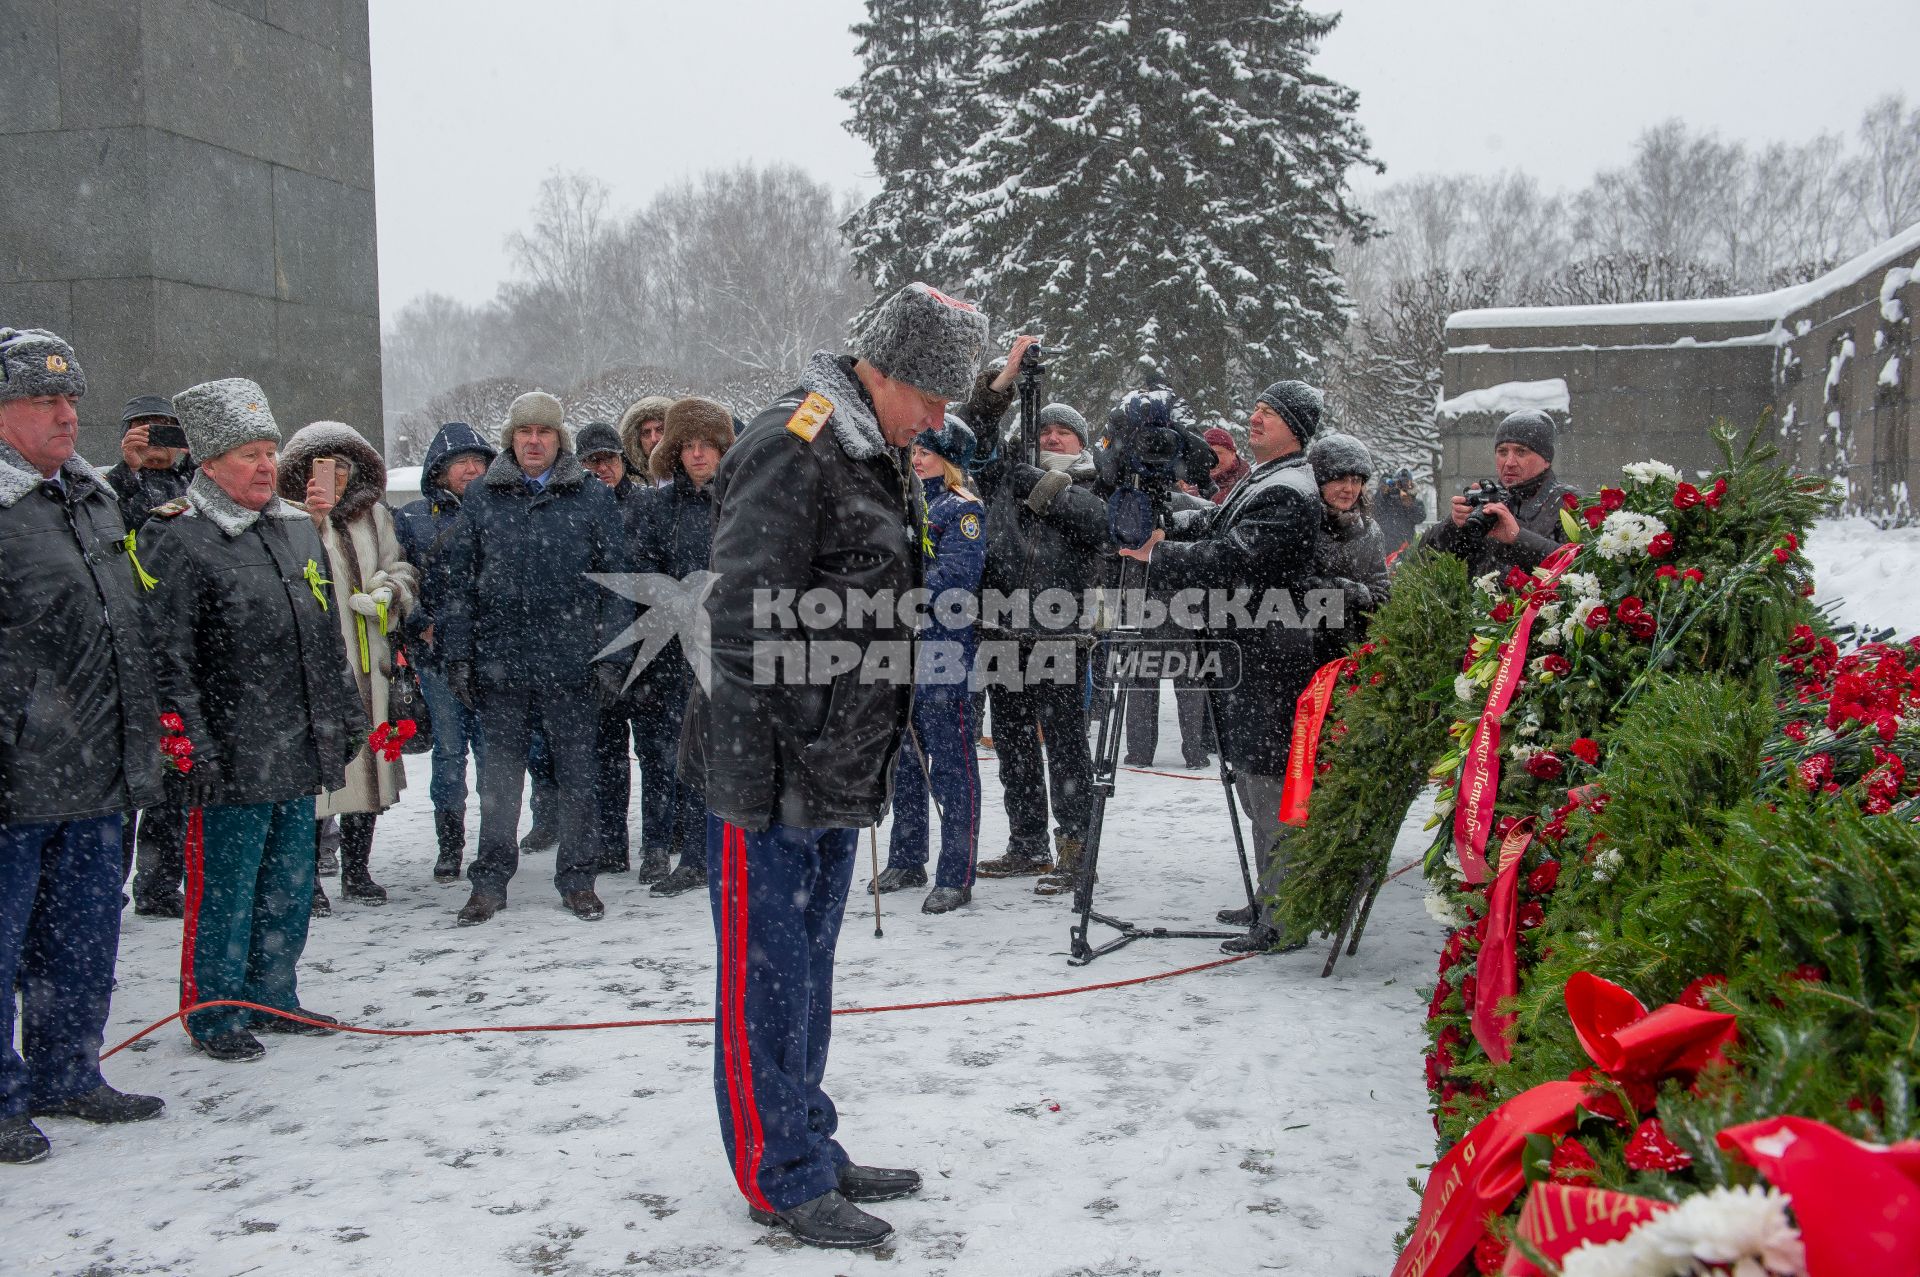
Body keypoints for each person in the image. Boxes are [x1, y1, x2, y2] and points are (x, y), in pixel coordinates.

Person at [680, 281, 988, 1249]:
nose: (939, 422)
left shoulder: (871, 448)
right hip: (771, 774)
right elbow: (739, 618)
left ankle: (808, 1135)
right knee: (762, 980)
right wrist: (788, 749)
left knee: (805, 973)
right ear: (885, 371)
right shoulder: (795, 441)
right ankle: (781, 1176)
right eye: (932, 399)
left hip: (834, 769)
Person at [140, 377, 368, 1062]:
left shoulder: (296, 527)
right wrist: (192, 748)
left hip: (297, 743)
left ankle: (274, 992)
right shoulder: (177, 537)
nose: (266, 465)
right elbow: (167, 656)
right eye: (248, 454)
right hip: (231, 752)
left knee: (290, 881)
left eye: (270, 451)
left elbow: (326, 634)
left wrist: (344, 714)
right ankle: (215, 1009)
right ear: (209, 463)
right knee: (228, 890)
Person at [0, 328, 167, 1163]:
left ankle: (68, 1070)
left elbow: (122, 624)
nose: (67, 415)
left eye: (71, 400)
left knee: (81, 935)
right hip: (16, 774)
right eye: (43, 401)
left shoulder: (92, 495)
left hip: (98, 766)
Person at [1119, 379, 1325, 954]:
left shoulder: (1288, 489)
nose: (1255, 419)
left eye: (1269, 413)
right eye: (1256, 409)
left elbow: (1234, 559)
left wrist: (1157, 553)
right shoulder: (1267, 480)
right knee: (1254, 783)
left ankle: (1284, 915)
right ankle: (1270, 897)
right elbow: (1218, 526)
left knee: (1268, 788)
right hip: (1248, 655)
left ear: (1296, 427)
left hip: (1267, 659)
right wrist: (1171, 526)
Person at [439, 390, 633, 925]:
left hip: (573, 665)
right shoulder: (483, 496)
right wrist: (458, 654)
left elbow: (617, 584)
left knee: (577, 778)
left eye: (544, 432)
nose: (533, 441)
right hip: (500, 666)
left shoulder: (591, 497)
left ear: (558, 440)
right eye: (524, 432)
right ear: (511, 439)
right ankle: (490, 881)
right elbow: (459, 582)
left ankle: (578, 880)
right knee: (498, 782)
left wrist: (613, 657)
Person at [276, 423, 420, 909]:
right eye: (323, 468)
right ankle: (309, 877)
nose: (334, 478)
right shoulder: (285, 517)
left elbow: (399, 565)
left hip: (370, 660)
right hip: (314, 667)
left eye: (343, 469)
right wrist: (314, 520)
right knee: (319, 773)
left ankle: (357, 870)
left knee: (371, 765)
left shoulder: (372, 515)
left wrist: (388, 591)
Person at [974, 398, 1111, 896]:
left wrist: (1036, 480)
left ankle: (1076, 847)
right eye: (1045, 430)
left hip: (1062, 636)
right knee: (1012, 745)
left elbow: (1096, 524)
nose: (1053, 438)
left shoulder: (1096, 484)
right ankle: (1027, 842)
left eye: (1064, 432)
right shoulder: (1005, 478)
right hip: (1003, 631)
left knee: (1068, 747)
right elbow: (975, 438)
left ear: (1082, 442)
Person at [873, 415, 986, 915]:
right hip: (906, 650)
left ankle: (956, 873)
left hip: (946, 652)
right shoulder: (910, 503)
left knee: (952, 765)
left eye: (928, 452)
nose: (917, 459)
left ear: (950, 458)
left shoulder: (962, 510)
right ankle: (907, 855)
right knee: (907, 760)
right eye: (914, 451)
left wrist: (901, 586)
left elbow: (957, 579)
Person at [633, 398, 734, 897]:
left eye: (707, 445)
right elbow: (645, 577)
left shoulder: (741, 499)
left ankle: (728, 850)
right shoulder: (656, 508)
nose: (697, 455)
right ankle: (692, 855)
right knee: (682, 754)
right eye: (688, 445)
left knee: (731, 755)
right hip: (675, 649)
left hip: (733, 645)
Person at [393, 421, 497, 884]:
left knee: (497, 755)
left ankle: (495, 844)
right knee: (450, 755)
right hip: (437, 659)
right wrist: (421, 624)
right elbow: (398, 578)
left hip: (493, 656)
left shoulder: (503, 511)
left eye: (479, 461)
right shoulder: (413, 517)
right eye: (461, 463)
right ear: (439, 471)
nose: (472, 469)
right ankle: (450, 845)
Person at [107, 394, 198, 917]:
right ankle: (110, 884)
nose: (157, 440)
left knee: (175, 774)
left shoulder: (195, 489)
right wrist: (128, 470)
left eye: (167, 431)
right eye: (147, 430)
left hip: (180, 649)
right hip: (129, 648)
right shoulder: (108, 485)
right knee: (125, 782)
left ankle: (161, 886)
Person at [577, 420, 645, 875]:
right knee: (606, 756)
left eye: (610, 458)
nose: (603, 467)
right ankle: (610, 843)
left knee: (658, 753)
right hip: (597, 646)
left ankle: (664, 837)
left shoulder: (645, 505)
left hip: (650, 644)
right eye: (593, 460)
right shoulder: (576, 508)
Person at [1419, 409, 1577, 577]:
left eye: (1521, 452)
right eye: (1502, 452)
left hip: (1543, 602)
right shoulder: (1486, 500)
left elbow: (1582, 566)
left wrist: (1518, 538)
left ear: (1546, 459)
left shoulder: (1570, 501)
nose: (1509, 462)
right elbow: (1424, 560)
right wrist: (1453, 526)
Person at [1302, 432, 1391, 669]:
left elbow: (1382, 588)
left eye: (1356, 480)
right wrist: (1344, 592)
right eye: (1340, 479)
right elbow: (1293, 587)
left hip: (1353, 655)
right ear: (1320, 481)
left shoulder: (1370, 531)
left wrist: (1365, 599)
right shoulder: (1302, 526)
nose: (1349, 489)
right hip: (1303, 652)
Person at [619, 395, 675, 489]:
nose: (654, 439)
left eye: (660, 430)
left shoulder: (694, 475)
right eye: (646, 433)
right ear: (637, 442)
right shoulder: (629, 486)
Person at [1375, 466, 1425, 556]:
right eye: (1400, 482)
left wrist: (1409, 505)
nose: (1403, 485)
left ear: (1411, 483)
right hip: (1384, 548)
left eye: (1406, 482)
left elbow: (1420, 517)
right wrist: (1382, 490)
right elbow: (1376, 506)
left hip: (1405, 549)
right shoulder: (1388, 499)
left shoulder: (1415, 501)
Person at [1204, 426, 1250, 504]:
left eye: (1218, 453)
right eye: (1205, 453)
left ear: (1233, 453)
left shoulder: (1248, 485)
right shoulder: (1193, 486)